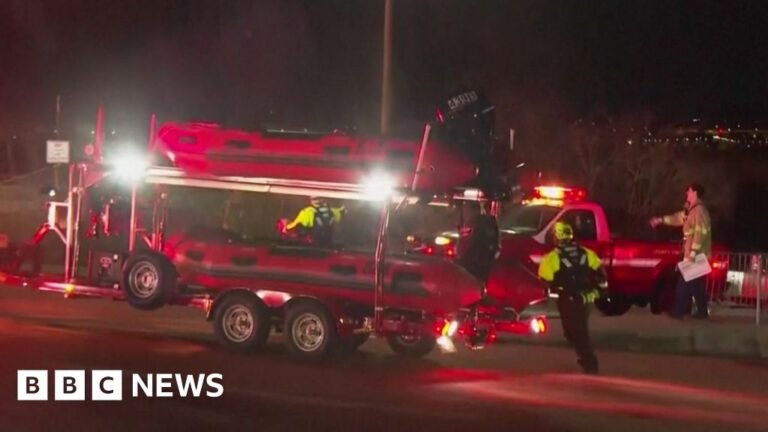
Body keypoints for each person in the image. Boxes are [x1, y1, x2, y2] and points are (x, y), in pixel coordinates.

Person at [538, 221, 607, 374]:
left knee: (576, 332)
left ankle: (590, 363)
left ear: (556, 237)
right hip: (585, 299)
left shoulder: (553, 257)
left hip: (567, 300)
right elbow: (601, 273)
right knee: (578, 330)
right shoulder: (586, 253)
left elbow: (544, 278)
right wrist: (598, 291)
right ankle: (586, 358)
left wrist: (550, 289)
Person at [650, 183, 712, 319]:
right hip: (695, 254)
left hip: (695, 255)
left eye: (689, 191)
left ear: (695, 193)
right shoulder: (692, 210)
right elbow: (677, 218)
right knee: (695, 284)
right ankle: (701, 312)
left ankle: (679, 311)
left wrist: (692, 253)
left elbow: (699, 234)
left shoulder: (698, 211)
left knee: (684, 282)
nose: (686, 193)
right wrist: (660, 220)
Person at [456, 203, 501, 284]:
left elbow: (463, 244)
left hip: (474, 262)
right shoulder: (490, 222)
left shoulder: (474, 223)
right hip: (485, 263)